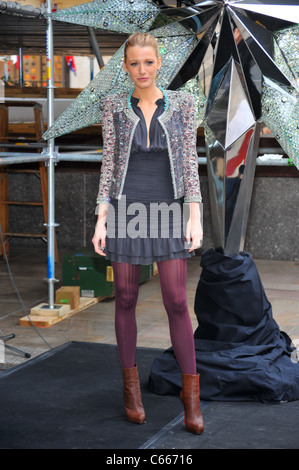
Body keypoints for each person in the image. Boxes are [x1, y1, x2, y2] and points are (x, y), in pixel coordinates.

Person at [92, 32, 204, 435]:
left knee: (176, 301)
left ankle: (191, 399)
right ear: (125, 66)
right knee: (125, 297)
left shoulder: (185, 104)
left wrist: (196, 216)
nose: (142, 71)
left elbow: (190, 162)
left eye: (148, 63)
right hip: (126, 208)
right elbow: (109, 164)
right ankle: (131, 393)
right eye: (134, 63)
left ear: (159, 64)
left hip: (168, 208)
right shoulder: (112, 108)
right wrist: (101, 218)